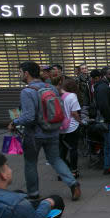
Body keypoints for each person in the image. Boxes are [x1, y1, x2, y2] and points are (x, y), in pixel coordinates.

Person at [9, 62, 81, 201]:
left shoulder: (27, 91)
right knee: (55, 159)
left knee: (30, 162)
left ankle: (33, 193)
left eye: (20, 72)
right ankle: (73, 183)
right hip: (53, 130)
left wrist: (14, 122)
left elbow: (29, 116)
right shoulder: (51, 88)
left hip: (34, 134)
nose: (19, 75)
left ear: (26, 73)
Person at [59, 78, 82, 178]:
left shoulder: (59, 95)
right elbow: (74, 113)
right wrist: (80, 121)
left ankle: (62, 172)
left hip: (60, 126)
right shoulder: (72, 96)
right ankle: (73, 170)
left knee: (62, 150)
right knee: (73, 149)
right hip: (72, 126)